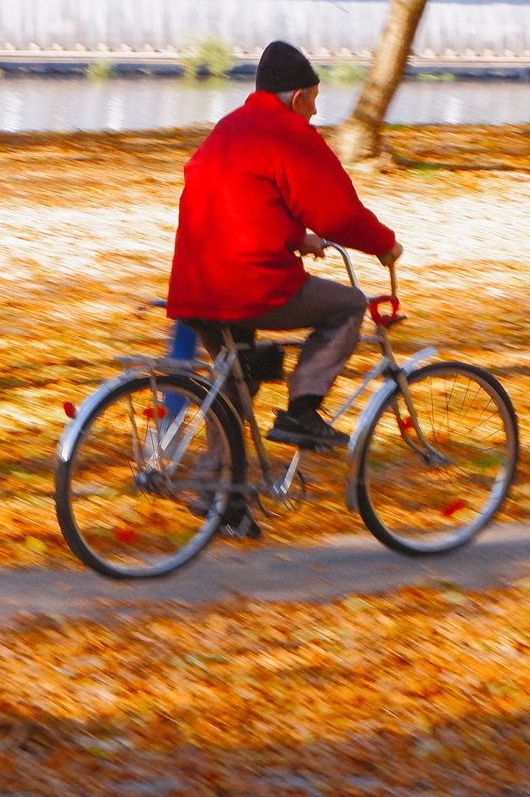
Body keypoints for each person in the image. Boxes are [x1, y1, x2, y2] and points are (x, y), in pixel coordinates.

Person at [168, 39, 403, 484]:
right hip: (248, 283)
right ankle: (303, 411)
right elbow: (338, 213)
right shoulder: (288, 133)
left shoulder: (229, 128)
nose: (315, 112)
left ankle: (221, 496)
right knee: (349, 304)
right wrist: (383, 245)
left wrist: (297, 238)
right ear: (298, 97)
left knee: (237, 383)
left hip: (194, 285)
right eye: (314, 100)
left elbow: (244, 201)